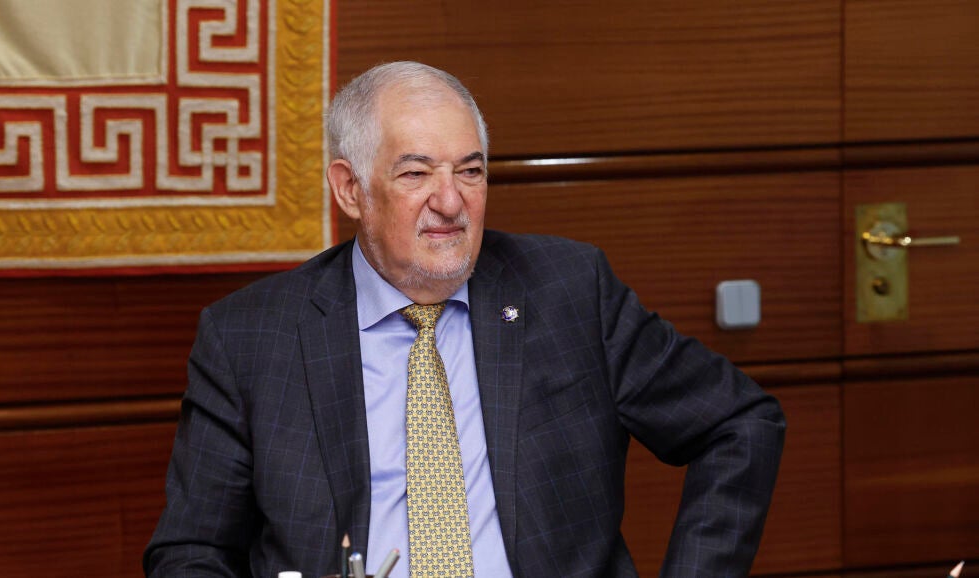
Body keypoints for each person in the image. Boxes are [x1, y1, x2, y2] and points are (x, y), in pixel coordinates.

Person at [144, 61, 785, 578]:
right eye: (416, 172)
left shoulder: (568, 290)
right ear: (350, 190)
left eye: (470, 171)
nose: (450, 201)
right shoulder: (250, 338)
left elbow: (739, 422)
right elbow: (190, 552)